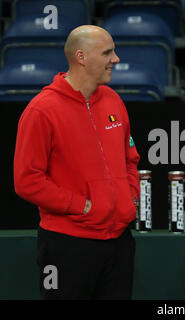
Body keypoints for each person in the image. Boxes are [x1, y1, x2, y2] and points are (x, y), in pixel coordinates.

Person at [13, 25, 140, 299]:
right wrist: (82, 206)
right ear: (81, 57)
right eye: (107, 53)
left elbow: (130, 158)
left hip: (119, 243)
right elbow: (27, 181)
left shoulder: (114, 101)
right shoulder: (41, 110)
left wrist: (130, 197)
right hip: (66, 247)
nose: (115, 59)